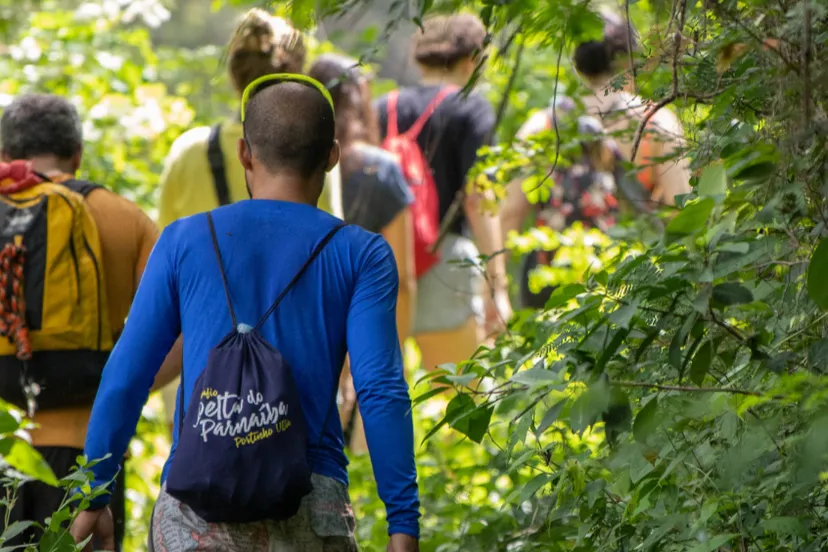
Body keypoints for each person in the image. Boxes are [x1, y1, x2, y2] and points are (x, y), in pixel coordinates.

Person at [71, 75, 420, 551]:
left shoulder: (183, 241)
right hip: (310, 503)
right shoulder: (362, 255)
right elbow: (380, 389)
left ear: (244, 153)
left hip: (194, 506)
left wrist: (94, 493)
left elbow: (126, 376)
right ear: (332, 156)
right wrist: (403, 522)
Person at [0, 94, 180, 550]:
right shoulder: (126, 220)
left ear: (6, 156)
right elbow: (182, 335)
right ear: (77, 154)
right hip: (90, 455)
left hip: (6, 445)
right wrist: (120, 391)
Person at [155, 9, 344, 436]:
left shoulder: (188, 153)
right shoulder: (311, 153)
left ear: (234, 75)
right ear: (298, 75)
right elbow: (329, 260)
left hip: (200, 371)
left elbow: (162, 273)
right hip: (294, 364)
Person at [500, 11, 692, 308]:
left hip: (554, 289)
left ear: (576, 64)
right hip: (630, 289)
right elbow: (682, 213)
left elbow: (510, 212)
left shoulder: (542, 127)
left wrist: (496, 289)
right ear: (627, 61)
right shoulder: (656, 124)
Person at [375, 13, 512, 374]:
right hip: (445, 261)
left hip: (383, 264)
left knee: (378, 397)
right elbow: (479, 198)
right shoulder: (472, 107)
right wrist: (497, 285)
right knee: (461, 403)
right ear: (472, 60)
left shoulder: (382, 108)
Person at [309, 53, 416, 454]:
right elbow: (402, 279)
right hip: (367, 339)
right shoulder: (383, 171)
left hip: (309, 335)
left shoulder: (297, 166)